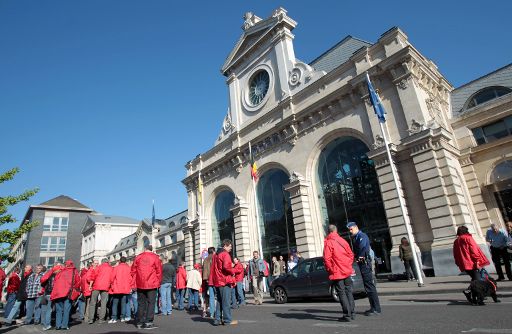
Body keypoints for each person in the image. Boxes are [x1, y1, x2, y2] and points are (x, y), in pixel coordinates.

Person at [347, 222, 381, 316]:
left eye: (351, 229)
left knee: (370, 286)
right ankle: (373, 307)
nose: (350, 231)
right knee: (368, 286)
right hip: (362, 264)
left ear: (356, 227)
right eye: (349, 229)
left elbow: (363, 248)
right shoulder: (356, 237)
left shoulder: (362, 236)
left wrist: (360, 257)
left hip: (365, 263)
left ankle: (376, 309)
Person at [324, 224, 355, 322]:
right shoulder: (343, 240)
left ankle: (347, 315)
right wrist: (348, 265)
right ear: (336, 231)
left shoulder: (329, 242)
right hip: (346, 270)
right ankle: (352, 313)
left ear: (328, 231)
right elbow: (351, 254)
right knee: (349, 291)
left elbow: (326, 259)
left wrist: (331, 270)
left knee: (341, 292)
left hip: (337, 272)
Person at [131, 244, 162, 330]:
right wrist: (158, 282)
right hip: (152, 283)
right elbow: (159, 271)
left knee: (141, 303)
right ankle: (148, 321)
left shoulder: (138, 257)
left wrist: (136, 280)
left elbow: (133, 270)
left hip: (140, 283)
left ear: (145, 249)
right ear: (151, 250)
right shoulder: (155, 257)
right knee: (151, 303)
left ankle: (140, 322)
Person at [43, 260, 80, 330]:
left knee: (58, 310)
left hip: (58, 293)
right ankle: (64, 325)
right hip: (68, 293)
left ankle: (58, 325)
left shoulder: (60, 271)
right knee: (66, 310)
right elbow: (77, 282)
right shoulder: (74, 272)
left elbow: (55, 281)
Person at [210, 239, 237, 326]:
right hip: (224, 280)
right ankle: (227, 320)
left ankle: (217, 319)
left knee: (219, 301)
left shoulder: (216, 255)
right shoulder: (225, 254)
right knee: (226, 301)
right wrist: (233, 270)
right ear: (225, 245)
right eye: (230, 246)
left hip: (217, 280)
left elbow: (214, 268)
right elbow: (226, 267)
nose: (231, 248)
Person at [87, 258, 113, 324]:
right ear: (108, 262)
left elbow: (93, 277)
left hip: (96, 286)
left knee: (93, 303)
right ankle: (101, 319)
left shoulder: (98, 267)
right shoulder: (111, 268)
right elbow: (112, 278)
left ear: (102, 262)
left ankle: (91, 319)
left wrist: (90, 285)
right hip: (106, 287)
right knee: (103, 303)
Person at [40, 262, 62, 331]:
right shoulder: (56, 276)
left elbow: (43, 281)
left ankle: (45, 323)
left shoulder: (48, 274)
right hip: (52, 294)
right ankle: (47, 325)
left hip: (46, 293)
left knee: (46, 310)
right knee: (50, 310)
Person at [109, 256, 132, 323]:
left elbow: (112, 278)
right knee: (123, 303)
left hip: (117, 287)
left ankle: (114, 318)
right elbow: (130, 278)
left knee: (115, 303)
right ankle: (122, 317)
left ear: (119, 261)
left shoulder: (116, 268)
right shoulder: (128, 268)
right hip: (125, 288)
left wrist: (112, 285)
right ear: (125, 261)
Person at [202, 247, 216, 319]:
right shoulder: (214, 258)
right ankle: (216, 312)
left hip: (207, 280)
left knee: (211, 297)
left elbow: (203, 270)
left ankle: (211, 313)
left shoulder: (205, 259)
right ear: (213, 251)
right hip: (214, 279)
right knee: (216, 296)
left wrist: (205, 279)